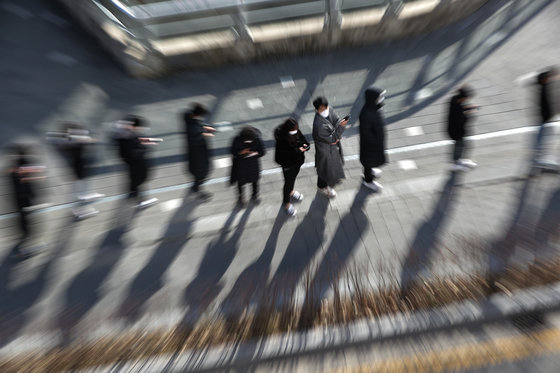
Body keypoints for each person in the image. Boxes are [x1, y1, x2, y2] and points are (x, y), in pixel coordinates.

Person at [47, 123, 103, 220]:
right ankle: (78, 210)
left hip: (79, 168)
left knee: (80, 189)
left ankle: (79, 209)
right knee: (78, 190)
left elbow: (89, 140)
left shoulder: (71, 142)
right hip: (76, 169)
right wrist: (77, 139)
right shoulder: (69, 142)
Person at [8, 144, 46, 257]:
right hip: (24, 199)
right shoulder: (22, 165)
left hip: (18, 199)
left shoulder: (15, 165)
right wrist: (31, 196)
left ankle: (24, 244)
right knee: (28, 223)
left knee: (24, 222)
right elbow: (26, 182)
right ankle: (26, 249)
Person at [114, 115, 159, 208]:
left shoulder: (125, 133)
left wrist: (147, 142)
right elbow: (136, 146)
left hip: (129, 160)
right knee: (141, 177)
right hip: (136, 160)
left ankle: (132, 193)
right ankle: (140, 200)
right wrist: (145, 148)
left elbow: (137, 140)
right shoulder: (130, 135)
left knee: (134, 177)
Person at [312, 96, 348, 197]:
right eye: (322, 109)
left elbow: (336, 120)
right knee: (326, 169)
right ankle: (326, 187)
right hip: (326, 151)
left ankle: (323, 185)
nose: (325, 110)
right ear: (317, 109)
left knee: (324, 168)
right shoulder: (319, 125)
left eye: (326, 107)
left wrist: (339, 124)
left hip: (332, 148)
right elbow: (333, 139)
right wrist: (341, 126)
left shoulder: (329, 109)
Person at [274, 118, 310, 216]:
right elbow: (281, 156)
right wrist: (298, 151)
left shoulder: (296, 131)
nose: (296, 131)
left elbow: (303, 140)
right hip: (288, 166)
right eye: (294, 129)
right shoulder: (282, 139)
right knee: (288, 183)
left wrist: (306, 146)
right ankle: (286, 203)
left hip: (297, 163)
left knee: (292, 180)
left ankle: (291, 192)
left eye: (297, 128)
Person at [184, 103, 215, 200]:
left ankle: (196, 185)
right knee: (202, 173)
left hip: (194, 155)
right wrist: (205, 134)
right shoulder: (193, 127)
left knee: (198, 173)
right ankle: (196, 189)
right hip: (198, 155)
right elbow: (196, 139)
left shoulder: (189, 118)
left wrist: (204, 127)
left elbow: (197, 124)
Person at [359, 86, 387, 192]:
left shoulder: (374, 107)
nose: (381, 98)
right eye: (379, 97)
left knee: (369, 162)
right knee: (368, 161)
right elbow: (366, 132)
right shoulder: (366, 114)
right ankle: (368, 181)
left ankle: (370, 171)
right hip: (370, 145)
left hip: (373, 143)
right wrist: (376, 142)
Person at [230, 126, 265, 206]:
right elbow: (232, 151)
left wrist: (255, 153)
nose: (248, 142)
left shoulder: (257, 139)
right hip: (241, 166)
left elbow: (262, 151)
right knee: (240, 182)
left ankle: (255, 194)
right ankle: (241, 197)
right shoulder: (237, 139)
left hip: (253, 165)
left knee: (255, 181)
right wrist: (241, 152)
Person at [447, 85, 478, 172]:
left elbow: (462, 109)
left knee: (464, 146)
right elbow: (464, 118)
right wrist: (470, 113)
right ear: (463, 97)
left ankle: (461, 160)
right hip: (456, 132)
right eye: (467, 98)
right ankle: (455, 164)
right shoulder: (457, 108)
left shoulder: (454, 99)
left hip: (456, 130)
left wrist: (469, 108)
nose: (467, 100)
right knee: (459, 147)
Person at [533, 67, 558, 168]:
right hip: (546, 119)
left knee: (543, 138)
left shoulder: (543, 86)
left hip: (546, 118)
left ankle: (540, 158)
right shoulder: (544, 88)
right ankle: (540, 159)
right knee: (544, 138)